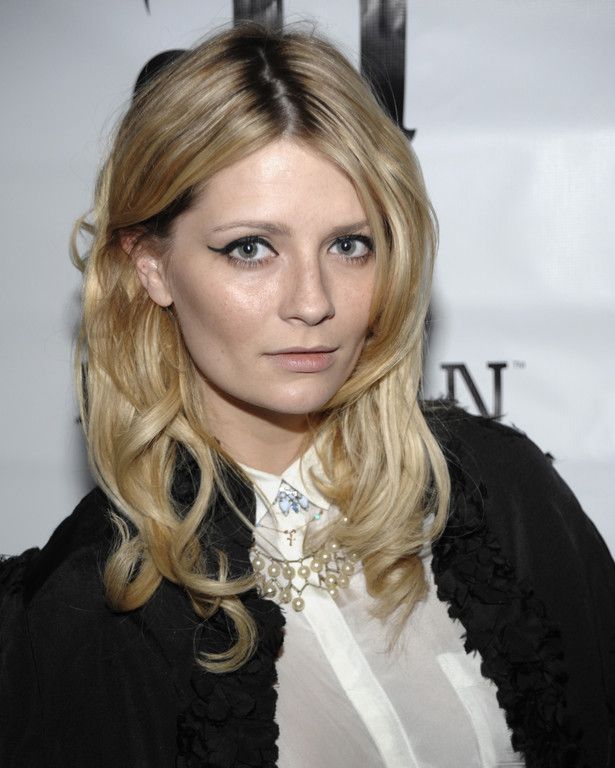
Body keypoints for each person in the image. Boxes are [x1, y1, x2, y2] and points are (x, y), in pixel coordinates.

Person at [0, 24, 613, 768]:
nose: (313, 302)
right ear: (151, 266)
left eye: (348, 245)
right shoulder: (90, 603)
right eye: (251, 248)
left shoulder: (499, 493)